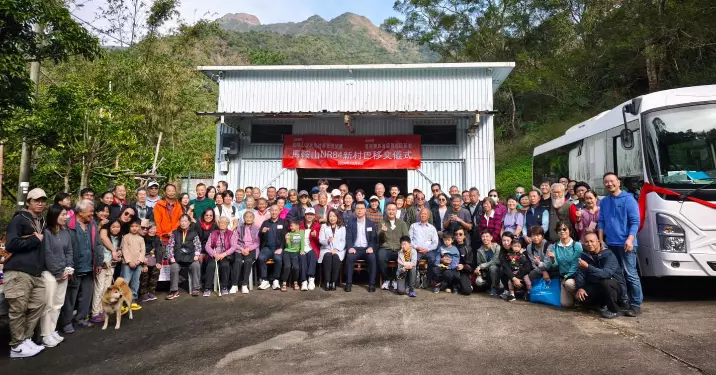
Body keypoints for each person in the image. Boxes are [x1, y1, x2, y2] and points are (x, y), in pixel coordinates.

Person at [4, 188, 48, 357]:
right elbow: (11, 244)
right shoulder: (19, 219)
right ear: (28, 202)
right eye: (36, 200)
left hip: (35, 272)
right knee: (18, 309)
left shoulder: (40, 221)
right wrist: (34, 239)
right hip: (18, 271)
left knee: (38, 304)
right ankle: (16, 346)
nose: (40, 203)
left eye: (43, 200)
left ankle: (25, 339)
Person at [598, 172, 642, 317]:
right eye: (606, 182)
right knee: (617, 275)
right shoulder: (604, 202)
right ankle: (624, 300)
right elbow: (601, 221)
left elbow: (635, 222)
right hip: (611, 243)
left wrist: (630, 239)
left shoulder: (629, 199)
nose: (609, 184)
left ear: (618, 182)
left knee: (631, 274)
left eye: (611, 181)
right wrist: (600, 240)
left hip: (626, 243)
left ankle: (636, 304)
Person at [62, 199, 103, 333]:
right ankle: (66, 322)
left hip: (89, 265)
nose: (92, 214)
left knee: (86, 294)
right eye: (90, 211)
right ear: (80, 211)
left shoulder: (92, 224)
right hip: (74, 266)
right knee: (70, 296)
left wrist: (99, 261)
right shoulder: (69, 224)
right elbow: (65, 246)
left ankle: (80, 318)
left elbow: (98, 244)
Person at [40, 204, 72, 348]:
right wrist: (58, 272)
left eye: (66, 215)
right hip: (49, 273)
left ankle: (52, 331)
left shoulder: (66, 232)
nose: (66, 217)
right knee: (49, 304)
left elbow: (69, 251)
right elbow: (48, 254)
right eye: (63, 215)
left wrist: (69, 268)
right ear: (54, 216)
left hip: (64, 272)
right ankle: (45, 334)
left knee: (58, 304)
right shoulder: (47, 233)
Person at [575, 233, 624, 319]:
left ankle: (614, 310)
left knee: (606, 281)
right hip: (598, 285)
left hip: (615, 287)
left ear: (598, 241)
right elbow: (580, 273)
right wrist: (580, 288)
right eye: (586, 242)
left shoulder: (609, 254)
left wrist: (588, 267)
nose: (589, 244)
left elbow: (606, 273)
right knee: (584, 296)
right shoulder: (585, 255)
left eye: (592, 241)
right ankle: (600, 305)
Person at [90, 219, 121, 324]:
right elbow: (99, 251)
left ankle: (102, 310)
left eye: (118, 227)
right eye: (113, 227)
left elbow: (118, 252)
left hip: (111, 266)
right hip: (102, 266)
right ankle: (95, 312)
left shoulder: (118, 239)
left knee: (106, 289)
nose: (116, 229)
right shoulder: (103, 238)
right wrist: (103, 261)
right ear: (109, 228)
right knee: (99, 289)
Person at [344, 201, 378, 292]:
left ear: (365, 210)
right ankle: (348, 283)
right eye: (358, 209)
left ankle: (372, 284)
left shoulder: (371, 223)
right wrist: (350, 247)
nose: (359, 210)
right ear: (355, 210)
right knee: (349, 257)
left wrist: (371, 247)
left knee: (372, 257)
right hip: (355, 249)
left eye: (362, 208)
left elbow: (373, 239)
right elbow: (348, 237)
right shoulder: (351, 223)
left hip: (367, 249)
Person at [547, 221, 583, 308]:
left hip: (575, 277)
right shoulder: (554, 246)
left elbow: (575, 265)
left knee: (569, 284)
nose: (562, 231)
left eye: (564, 229)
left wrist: (566, 277)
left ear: (569, 230)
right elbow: (555, 266)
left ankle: (580, 298)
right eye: (559, 229)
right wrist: (552, 259)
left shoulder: (577, 245)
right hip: (563, 277)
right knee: (565, 304)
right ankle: (575, 297)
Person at [166, 215, 202, 299]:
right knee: (174, 267)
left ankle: (195, 288)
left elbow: (198, 245)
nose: (183, 223)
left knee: (196, 265)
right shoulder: (174, 233)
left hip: (190, 258)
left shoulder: (194, 233)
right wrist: (171, 257)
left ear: (189, 222)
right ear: (179, 222)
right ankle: (174, 291)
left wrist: (197, 255)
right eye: (182, 221)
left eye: (185, 221)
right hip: (177, 259)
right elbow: (169, 246)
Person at [377, 203, 410, 290]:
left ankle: (395, 279)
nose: (391, 211)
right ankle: (387, 279)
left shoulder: (402, 223)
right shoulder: (382, 223)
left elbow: (406, 237)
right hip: (386, 248)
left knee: (402, 258)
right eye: (389, 210)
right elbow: (379, 240)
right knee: (381, 256)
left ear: (396, 211)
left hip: (399, 248)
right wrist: (382, 232)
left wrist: (404, 246)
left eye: (393, 210)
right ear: (386, 211)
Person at [257, 205, 288, 291]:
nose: (274, 212)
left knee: (278, 259)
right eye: (272, 211)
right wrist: (262, 232)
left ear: (279, 212)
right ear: (270, 212)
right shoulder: (265, 222)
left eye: (276, 210)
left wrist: (281, 248)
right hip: (267, 248)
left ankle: (276, 280)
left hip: (278, 248)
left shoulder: (283, 222)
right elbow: (259, 235)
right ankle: (265, 280)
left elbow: (285, 237)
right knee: (261, 258)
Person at [203, 216, 234, 296]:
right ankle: (207, 288)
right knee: (211, 265)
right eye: (220, 222)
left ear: (227, 224)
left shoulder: (231, 233)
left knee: (225, 265)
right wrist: (214, 254)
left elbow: (233, 247)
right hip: (214, 255)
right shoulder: (213, 233)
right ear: (218, 223)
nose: (222, 224)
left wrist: (223, 254)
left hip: (225, 255)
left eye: (224, 222)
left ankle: (224, 287)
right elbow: (207, 246)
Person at [120, 218, 146, 310]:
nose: (134, 228)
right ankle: (122, 300)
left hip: (138, 264)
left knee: (135, 282)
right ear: (129, 227)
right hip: (127, 264)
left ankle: (133, 299)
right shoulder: (125, 237)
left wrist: (139, 261)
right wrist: (129, 261)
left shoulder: (141, 238)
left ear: (139, 227)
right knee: (125, 282)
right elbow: (124, 250)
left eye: (136, 226)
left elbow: (143, 251)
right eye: (132, 226)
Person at [231, 211, 260, 294]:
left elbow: (257, 243)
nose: (248, 218)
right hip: (239, 249)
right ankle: (234, 285)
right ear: (243, 219)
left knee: (248, 261)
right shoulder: (239, 228)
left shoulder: (256, 228)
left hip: (251, 249)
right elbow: (234, 241)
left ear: (253, 218)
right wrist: (241, 249)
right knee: (237, 261)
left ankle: (244, 284)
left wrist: (248, 249)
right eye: (246, 217)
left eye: (250, 217)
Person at [409, 208, 439, 286]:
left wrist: (427, 249)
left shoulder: (432, 228)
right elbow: (409, 239)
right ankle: (414, 280)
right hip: (416, 250)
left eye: (425, 214)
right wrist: (416, 247)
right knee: (414, 261)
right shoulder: (413, 226)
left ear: (428, 216)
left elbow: (435, 243)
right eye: (421, 213)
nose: (423, 215)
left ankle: (428, 279)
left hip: (428, 251)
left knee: (433, 259)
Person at [319, 210, 346, 291]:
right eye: (330, 216)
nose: (332, 218)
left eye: (334, 216)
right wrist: (327, 241)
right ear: (328, 217)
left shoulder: (342, 227)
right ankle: (327, 282)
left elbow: (343, 241)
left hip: (338, 250)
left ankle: (333, 282)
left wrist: (336, 249)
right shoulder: (324, 226)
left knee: (335, 257)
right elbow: (321, 240)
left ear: (337, 217)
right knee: (327, 256)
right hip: (326, 248)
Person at [139, 221, 163, 303]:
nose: (153, 231)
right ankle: (143, 293)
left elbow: (159, 250)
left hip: (153, 258)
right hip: (144, 258)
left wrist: (159, 262)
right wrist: (143, 264)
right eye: (151, 229)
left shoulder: (157, 238)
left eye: (154, 229)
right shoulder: (143, 237)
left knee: (156, 271)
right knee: (144, 274)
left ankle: (151, 291)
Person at [474, 230, 501, 295]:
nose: (485, 238)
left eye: (487, 236)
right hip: (486, 272)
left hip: (497, 272)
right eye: (483, 236)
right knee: (478, 282)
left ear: (491, 238)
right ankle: (488, 286)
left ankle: (494, 287)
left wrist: (481, 266)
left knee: (493, 267)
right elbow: (479, 263)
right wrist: (478, 271)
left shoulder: (497, 247)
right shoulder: (479, 251)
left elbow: (496, 261)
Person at [300, 208, 320, 290]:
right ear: (305, 215)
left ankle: (311, 279)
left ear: (314, 216)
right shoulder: (300, 225)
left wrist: (315, 237)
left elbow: (320, 241)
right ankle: (304, 281)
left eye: (311, 214)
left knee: (312, 255)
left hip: (313, 247)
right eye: (308, 214)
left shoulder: (317, 226)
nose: (309, 216)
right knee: (302, 258)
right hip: (302, 247)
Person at [280, 220, 304, 292]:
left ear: (297, 226)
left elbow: (302, 242)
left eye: (292, 226)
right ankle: (284, 283)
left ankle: (295, 282)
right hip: (287, 252)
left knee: (296, 267)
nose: (290, 227)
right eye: (290, 226)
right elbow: (288, 247)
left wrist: (302, 250)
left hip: (295, 253)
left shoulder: (302, 232)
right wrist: (287, 240)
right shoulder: (289, 234)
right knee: (287, 266)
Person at [453, 228, 474, 295]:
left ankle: (458, 285)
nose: (458, 236)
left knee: (467, 291)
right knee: (447, 274)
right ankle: (452, 285)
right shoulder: (450, 246)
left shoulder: (468, 249)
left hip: (463, 272)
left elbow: (470, 266)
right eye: (456, 234)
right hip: (451, 270)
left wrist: (463, 266)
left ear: (464, 236)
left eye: (460, 234)